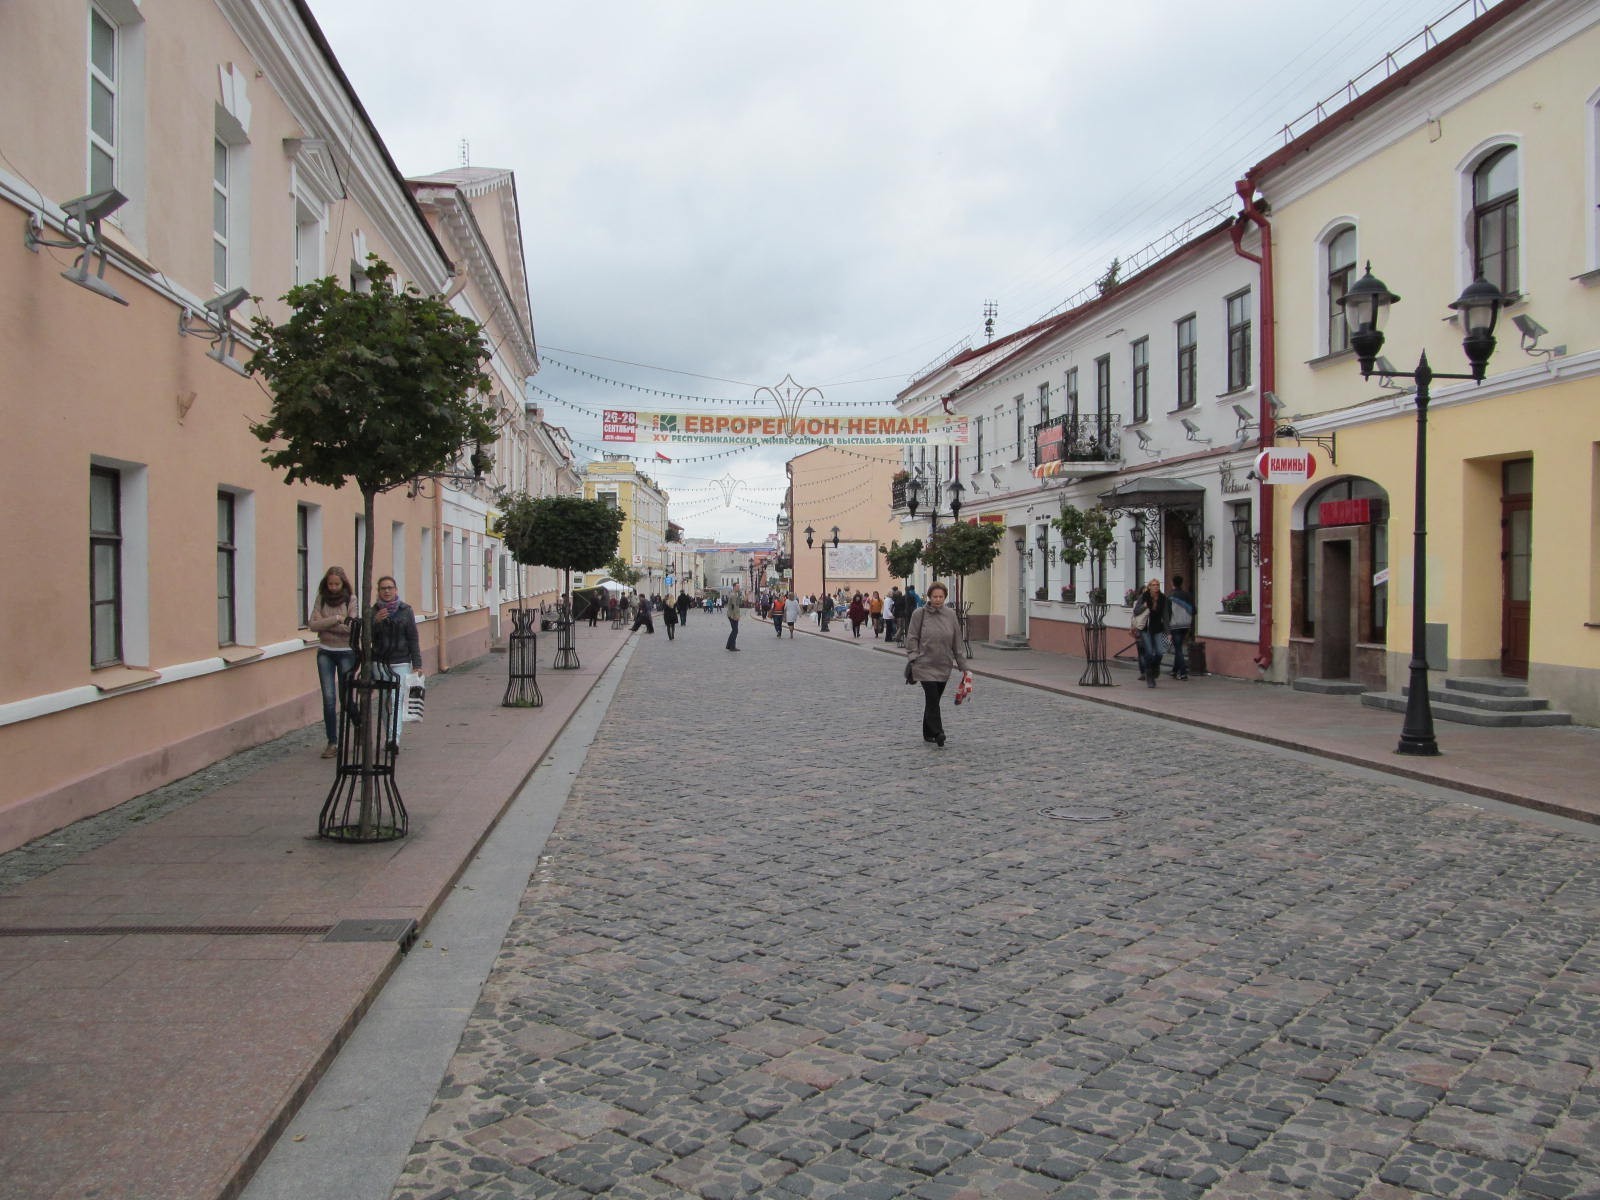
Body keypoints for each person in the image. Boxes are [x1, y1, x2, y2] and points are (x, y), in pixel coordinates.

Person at [904, 581, 970, 747]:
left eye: (941, 596)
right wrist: (913, 656)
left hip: (943, 664)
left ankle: (928, 733)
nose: (938, 599)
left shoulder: (950, 615)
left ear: (945, 597)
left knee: (934, 700)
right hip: (924, 664)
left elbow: (957, 641)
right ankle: (938, 732)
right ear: (929, 597)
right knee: (932, 697)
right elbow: (912, 636)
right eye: (935, 596)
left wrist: (963, 666)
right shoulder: (919, 614)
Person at [307, 566, 357, 758]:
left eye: (337, 583)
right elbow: (312, 625)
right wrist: (337, 619)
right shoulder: (321, 599)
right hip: (325, 652)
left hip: (346, 652)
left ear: (343, 583)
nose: (333, 587)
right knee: (329, 698)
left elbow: (352, 627)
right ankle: (332, 742)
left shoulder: (351, 600)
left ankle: (358, 723)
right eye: (330, 584)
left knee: (346, 698)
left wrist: (325, 623)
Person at [370, 576, 423, 749]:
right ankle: (390, 734)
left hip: (401, 660)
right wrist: (375, 622)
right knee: (386, 701)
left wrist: (417, 664)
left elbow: (413, 638)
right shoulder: (373, 611)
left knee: (396, 699)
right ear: (378, 591)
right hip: (380, 662)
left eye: (390, 588)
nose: (387, 591)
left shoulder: (405, 610)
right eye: (383, 588)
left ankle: (394, 739)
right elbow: (368, 637)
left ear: (396, 590)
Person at [1131, 577, 1171, 689]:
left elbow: (1166, 616)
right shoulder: (1144, 597)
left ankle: (1155, 667)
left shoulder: (1163, 598)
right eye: (1153, 585)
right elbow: (1136, 611)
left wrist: (1168, 632)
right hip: (1146, 629)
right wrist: (1144, 606)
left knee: (1159, 652)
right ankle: (1150, 675)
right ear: (1149, 587)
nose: (1156, 587)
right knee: (1149, 652)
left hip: (1157, 628)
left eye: (1157, 585)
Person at [1167, 574, 1195, 680]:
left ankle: (1183, 672)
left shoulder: (1170, 597)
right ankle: (1174, 670)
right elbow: (1194, 611)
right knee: (1178, 646)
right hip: (1186, 625)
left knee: (1178, 649)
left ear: (1172, 583)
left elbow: (1167, 613)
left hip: (1175, 625)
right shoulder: (1188, 596)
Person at [725, 586, 742, 651]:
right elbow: (734, 606)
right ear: (734, 587)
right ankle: (732, 647)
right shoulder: (733, 595)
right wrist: (736, 616)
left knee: (734, 630)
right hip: (732, 615)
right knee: (735, 631)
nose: (739, 588)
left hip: (732, 615)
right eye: (738, 587)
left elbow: (739, 603)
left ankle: (729, 645)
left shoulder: (735, 595)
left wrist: (740, 595)